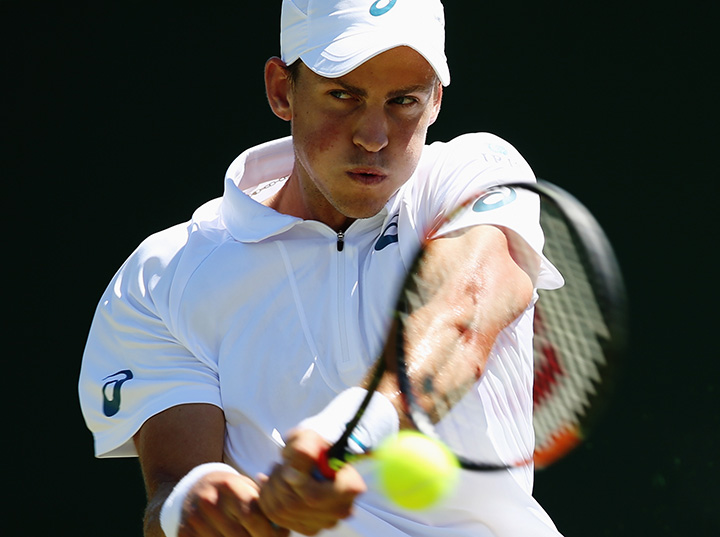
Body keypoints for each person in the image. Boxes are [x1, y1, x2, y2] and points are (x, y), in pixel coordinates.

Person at [79, 1, 565, 536]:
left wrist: (348, 432)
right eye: (343, 96)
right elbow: (172, 490)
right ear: (282, 90)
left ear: (435, 103)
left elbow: (463, 312)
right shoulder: (162, 275)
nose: (374, 136)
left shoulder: (476, 174)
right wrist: (195, 505)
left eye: (403, 102)